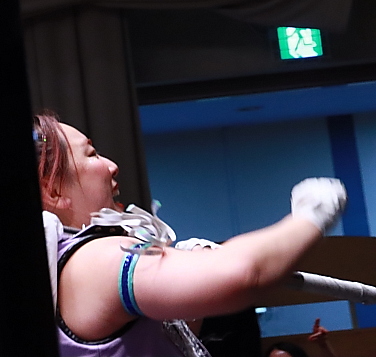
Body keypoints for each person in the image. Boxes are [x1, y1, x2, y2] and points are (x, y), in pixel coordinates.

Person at [33, 111, 347, 357]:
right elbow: (242, 273)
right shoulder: (97, 260)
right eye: (91, 154)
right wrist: (312, 215)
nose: (112, 165)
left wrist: (191, 268)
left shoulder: (62, 267)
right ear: (53, 190)